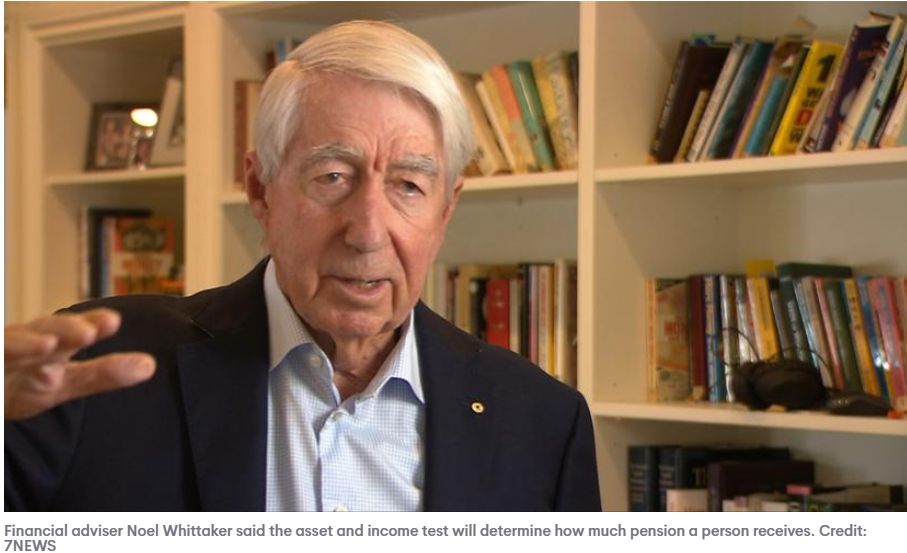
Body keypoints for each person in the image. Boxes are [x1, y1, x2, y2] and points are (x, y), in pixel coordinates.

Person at [5, 20, 600, 512]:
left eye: (409, 186)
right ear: (260, 189)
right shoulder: (93, 379)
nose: (367, 232)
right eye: (332, 177)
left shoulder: (543, 423)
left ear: (446, 210)